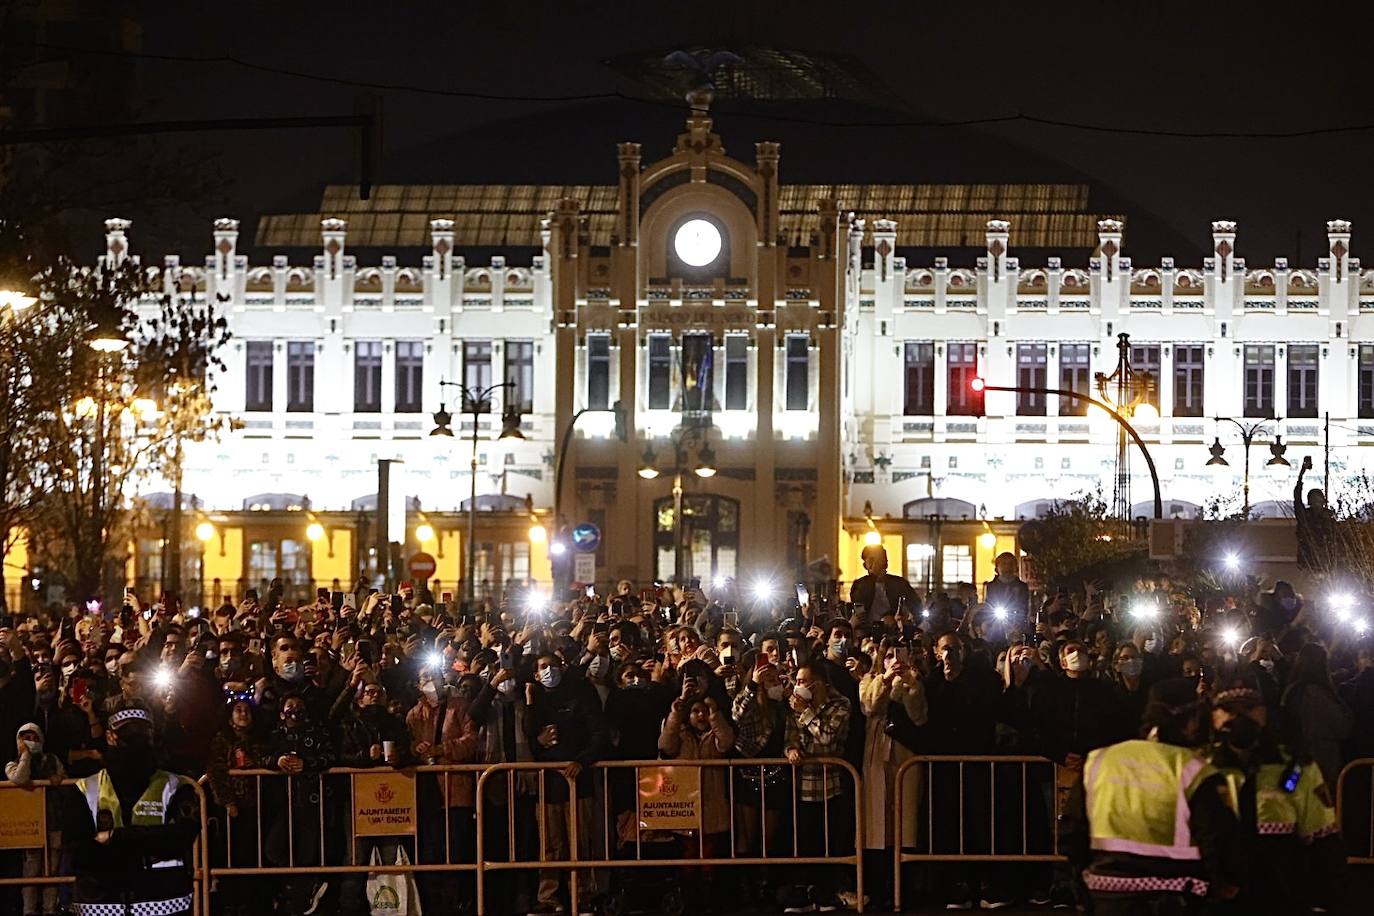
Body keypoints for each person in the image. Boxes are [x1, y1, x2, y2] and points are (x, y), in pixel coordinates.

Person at [1082, 679, 1241, 914]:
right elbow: (1216, 838)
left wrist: (1084, 889)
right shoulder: (1194, 769)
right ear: (1190, 720)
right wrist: (1225, 886)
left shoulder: (1100, 761)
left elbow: (1072, 832)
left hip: (1108, 896)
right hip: (1175, 897)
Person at [1206, 681, 1344, 913]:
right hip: (1219, 901)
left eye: (1248, 708)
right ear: (1213, 716)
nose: (1240, 718)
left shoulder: (1296, 768)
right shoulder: (1200, 768)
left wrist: (1327, 899)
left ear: (1264, 712)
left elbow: (1323, 840)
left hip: (1282, 896)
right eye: (1230, 710)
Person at [61, 706, 201, 916]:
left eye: (142, 735)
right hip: (103, 904)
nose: (136, 742)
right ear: (110, 736)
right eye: (128, 735)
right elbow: (77, 852)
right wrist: (145, 844)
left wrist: (117, 838)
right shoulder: (85, 790)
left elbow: (181, 837)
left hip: (162, 904)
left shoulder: (175, 787)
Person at [858, 641, 927, 909]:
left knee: (904, 824)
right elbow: (869, 706)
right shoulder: (869, 680)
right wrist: (885, 680)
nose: (893, 660)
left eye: (898, 655)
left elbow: (919, 716)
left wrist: (910, 686)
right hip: (875, 759)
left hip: (904, 759)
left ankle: (904, 888)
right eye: (887, 656)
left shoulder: (914, 681)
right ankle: (877, 888)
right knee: (877, 826)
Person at [781, 662, 852, 914]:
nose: (798, 686)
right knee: (803, 841)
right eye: (797, 681)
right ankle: (802, 892)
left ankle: (826, 892)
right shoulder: (794, 705)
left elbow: (828, 738)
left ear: (819, 683)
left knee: (828, 841)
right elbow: (789, 736)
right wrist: (790, 749)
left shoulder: (840, 704)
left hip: (829, 785)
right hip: (801, 785)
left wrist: (807, 713)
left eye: (803, 681)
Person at [6, 722, 66, 916]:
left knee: (52, 870)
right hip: (29, 826)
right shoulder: (12, 763)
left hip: (53, 822)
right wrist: (24, 755)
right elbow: (20, 778)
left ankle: (49, 909)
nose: (31, 741)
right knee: (30, 872)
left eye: (34, 737)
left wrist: (58, 778)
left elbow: (63, 778)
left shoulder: (52, 759)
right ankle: (29, 911)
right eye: (26, 738)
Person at [849, 545, 917, 624]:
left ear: (885, 561)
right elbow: (858, 608)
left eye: (877, 559)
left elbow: (915, 606)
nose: (873, 563)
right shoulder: (859, 584)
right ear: (865, 565)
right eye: (869, 560)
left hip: (894, 628)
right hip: (867, 629)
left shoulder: (899, 584)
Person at [983, 553, 1030, 625]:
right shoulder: (991, 586)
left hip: (1018, 622)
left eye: (1011, 564)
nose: (1007, 567)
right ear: (997, 568)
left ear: (1016, 567)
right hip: (995, 623)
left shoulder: (1022, 586)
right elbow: (988, 605)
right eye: (1004, 564)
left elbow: (1025, 606)